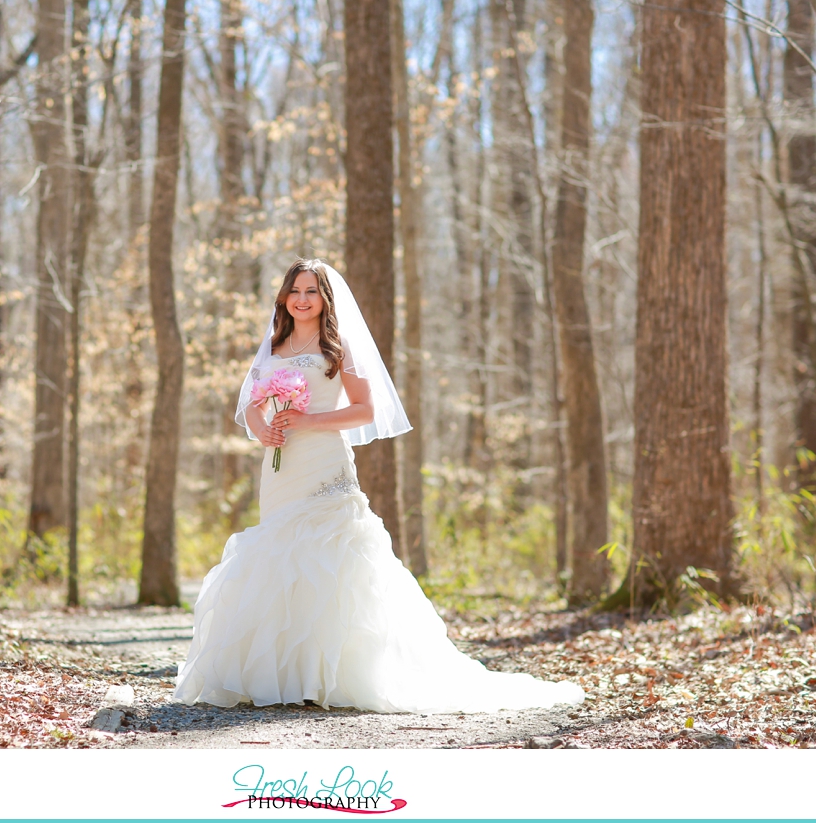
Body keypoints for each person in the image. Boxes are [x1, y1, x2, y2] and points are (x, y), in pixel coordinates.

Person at [173, 258, 583, 713]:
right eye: (295, 291)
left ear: (325, 298)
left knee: (330, 554)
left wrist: (310, 420)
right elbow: (253, 404)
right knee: (280, 553)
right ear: (284, 297)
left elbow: (364, 410)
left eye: (311, 291)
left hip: (324, 460)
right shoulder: (273, 344)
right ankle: (284, 673)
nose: (302, 300)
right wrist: (264, 427)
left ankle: (326, 674)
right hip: (281, 465)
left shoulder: (338, 346)